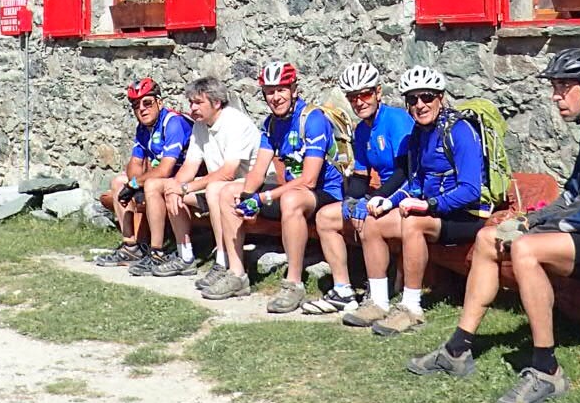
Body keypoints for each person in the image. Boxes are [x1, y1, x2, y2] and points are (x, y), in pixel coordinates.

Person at [406, 47, 580, 403]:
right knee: (488, 238)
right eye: (554, 88)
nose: (556, 97)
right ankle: (457, 349)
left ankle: (547, 370)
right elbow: (572, 194)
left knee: (525, 250)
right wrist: (528, 220)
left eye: (564, 88)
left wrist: (530, 233)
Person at [341, 66, 487, 337]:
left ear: (440, 97)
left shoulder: (460, 131)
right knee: (373, 222)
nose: (420, 105)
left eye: (427, 97)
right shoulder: (420, 134)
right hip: (435, 211)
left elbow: (471, 190)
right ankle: (379, 302)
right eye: (412, 99)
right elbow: (416, 182)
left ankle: (411, 308)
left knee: (413, 224)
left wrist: (430, 205)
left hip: (467, 215)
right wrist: (388, 201)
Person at [206, 62, 343, 307]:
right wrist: (246, 198)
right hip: (293, 191)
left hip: (325, 192)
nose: (276, 97)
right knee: (227, 193)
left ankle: (293, 283)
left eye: (281, 90)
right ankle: (237, 274)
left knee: (291, 199)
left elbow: (309, 179)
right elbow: (258, 171)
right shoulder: (270, 124)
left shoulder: (312, 119)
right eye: (269, 92)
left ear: (294, 89)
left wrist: (262, 199)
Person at [304, 60, 414, 316]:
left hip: (403, 191)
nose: (359, 102)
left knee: (368, 220)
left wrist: (375, 198)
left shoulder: (396, 120)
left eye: (364, 94)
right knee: (325, 217)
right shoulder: (362, 130)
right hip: (381, 193)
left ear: (378, 92)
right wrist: (351, 199)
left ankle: (378, 292)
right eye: (352, 97)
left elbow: (405, 171)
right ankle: (343, 290)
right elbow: (361, 176)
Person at [133, 73, 260, 278]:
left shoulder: (235, 123)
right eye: (191, 103)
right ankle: (183, 256)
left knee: (214, 190)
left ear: (216, 103)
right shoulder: (200, 126)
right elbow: (190, 166)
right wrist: (175, 187)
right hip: (218, 184)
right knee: (163, 187)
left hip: (248, 186)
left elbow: (228, 172)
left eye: (198, 103)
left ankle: (222, 262)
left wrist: (186, 188)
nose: (192, 108)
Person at [95, 77, 191, 267]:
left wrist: (135, 184)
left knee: (149, 185)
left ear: (159, 102)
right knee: (118, 183)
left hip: (185, 179)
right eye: (136, 106)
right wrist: (134, 185)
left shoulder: (173, 123)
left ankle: (157, 252)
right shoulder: (143, 128)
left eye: (147, 103)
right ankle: (131, 247)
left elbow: (165, 170)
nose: (142, 109)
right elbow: (135, 165)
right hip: (163, 179)